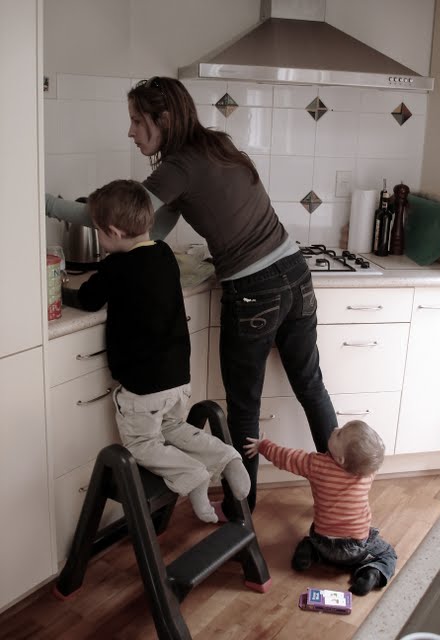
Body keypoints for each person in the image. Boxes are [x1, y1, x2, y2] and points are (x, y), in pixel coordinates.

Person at [46, 76, 338, 520]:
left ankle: (241, 513)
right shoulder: (217, 145)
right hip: (295, 273)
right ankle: (342, 494)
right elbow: (150, 230)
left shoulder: (177, 167)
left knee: (245, 406)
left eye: (137, 121)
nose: (130, 132)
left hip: (254, 290)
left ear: (163, 119)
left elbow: (118, 216)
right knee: (312, 388)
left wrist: (45, 204)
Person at [62, 178, 250, 524]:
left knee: (141, 444)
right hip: (177, 379)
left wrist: (61, 293)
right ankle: (226, 457)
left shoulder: (116, 266)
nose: (99, 239)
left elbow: (89, 299)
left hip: (143, 388)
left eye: (98, 232)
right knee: (173, 428)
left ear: (113, 232)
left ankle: (191, 475)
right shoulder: (163, 253)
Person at [244, 420, 397, 596]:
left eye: (339, 433)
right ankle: (372, 572)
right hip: (355, 549)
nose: (335, 428)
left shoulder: (315, 464)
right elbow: (372, 460)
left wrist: (263, 446)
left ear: (341, 458)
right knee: (388, 554)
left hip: (322, 541)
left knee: (311, 539)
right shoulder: (367, 473)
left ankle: (309, 553)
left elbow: (286, 457)